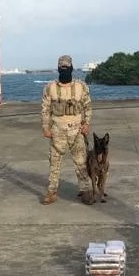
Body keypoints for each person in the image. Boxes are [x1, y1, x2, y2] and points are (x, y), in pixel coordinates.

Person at [40, 54, 93, 205]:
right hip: (57, 130)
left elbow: (88, 106)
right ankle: (52, 191)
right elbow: (45, 109)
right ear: (58, 68)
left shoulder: (81, 87)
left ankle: (85, 190)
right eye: (62, 67)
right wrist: (45, 127)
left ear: (71, 68)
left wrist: (86, 124)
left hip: (77, 130)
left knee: (81, 162)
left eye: (67, 67)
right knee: (54, 163)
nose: (64, 70)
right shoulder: (50, 88)